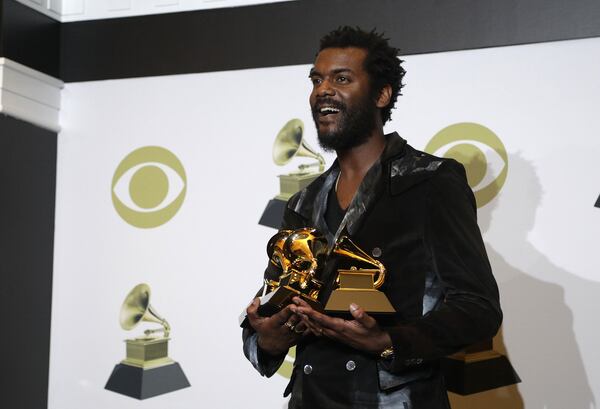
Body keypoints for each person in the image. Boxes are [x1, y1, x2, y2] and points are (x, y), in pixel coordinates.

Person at [243, 26, 502, 409]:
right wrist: (266, 337)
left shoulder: (430, 182)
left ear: (382, 94)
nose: (323, 90)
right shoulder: (303, 201)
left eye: (341, 78)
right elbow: (268, 307)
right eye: (317, 79)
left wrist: (387, 342)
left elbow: (477, 310)